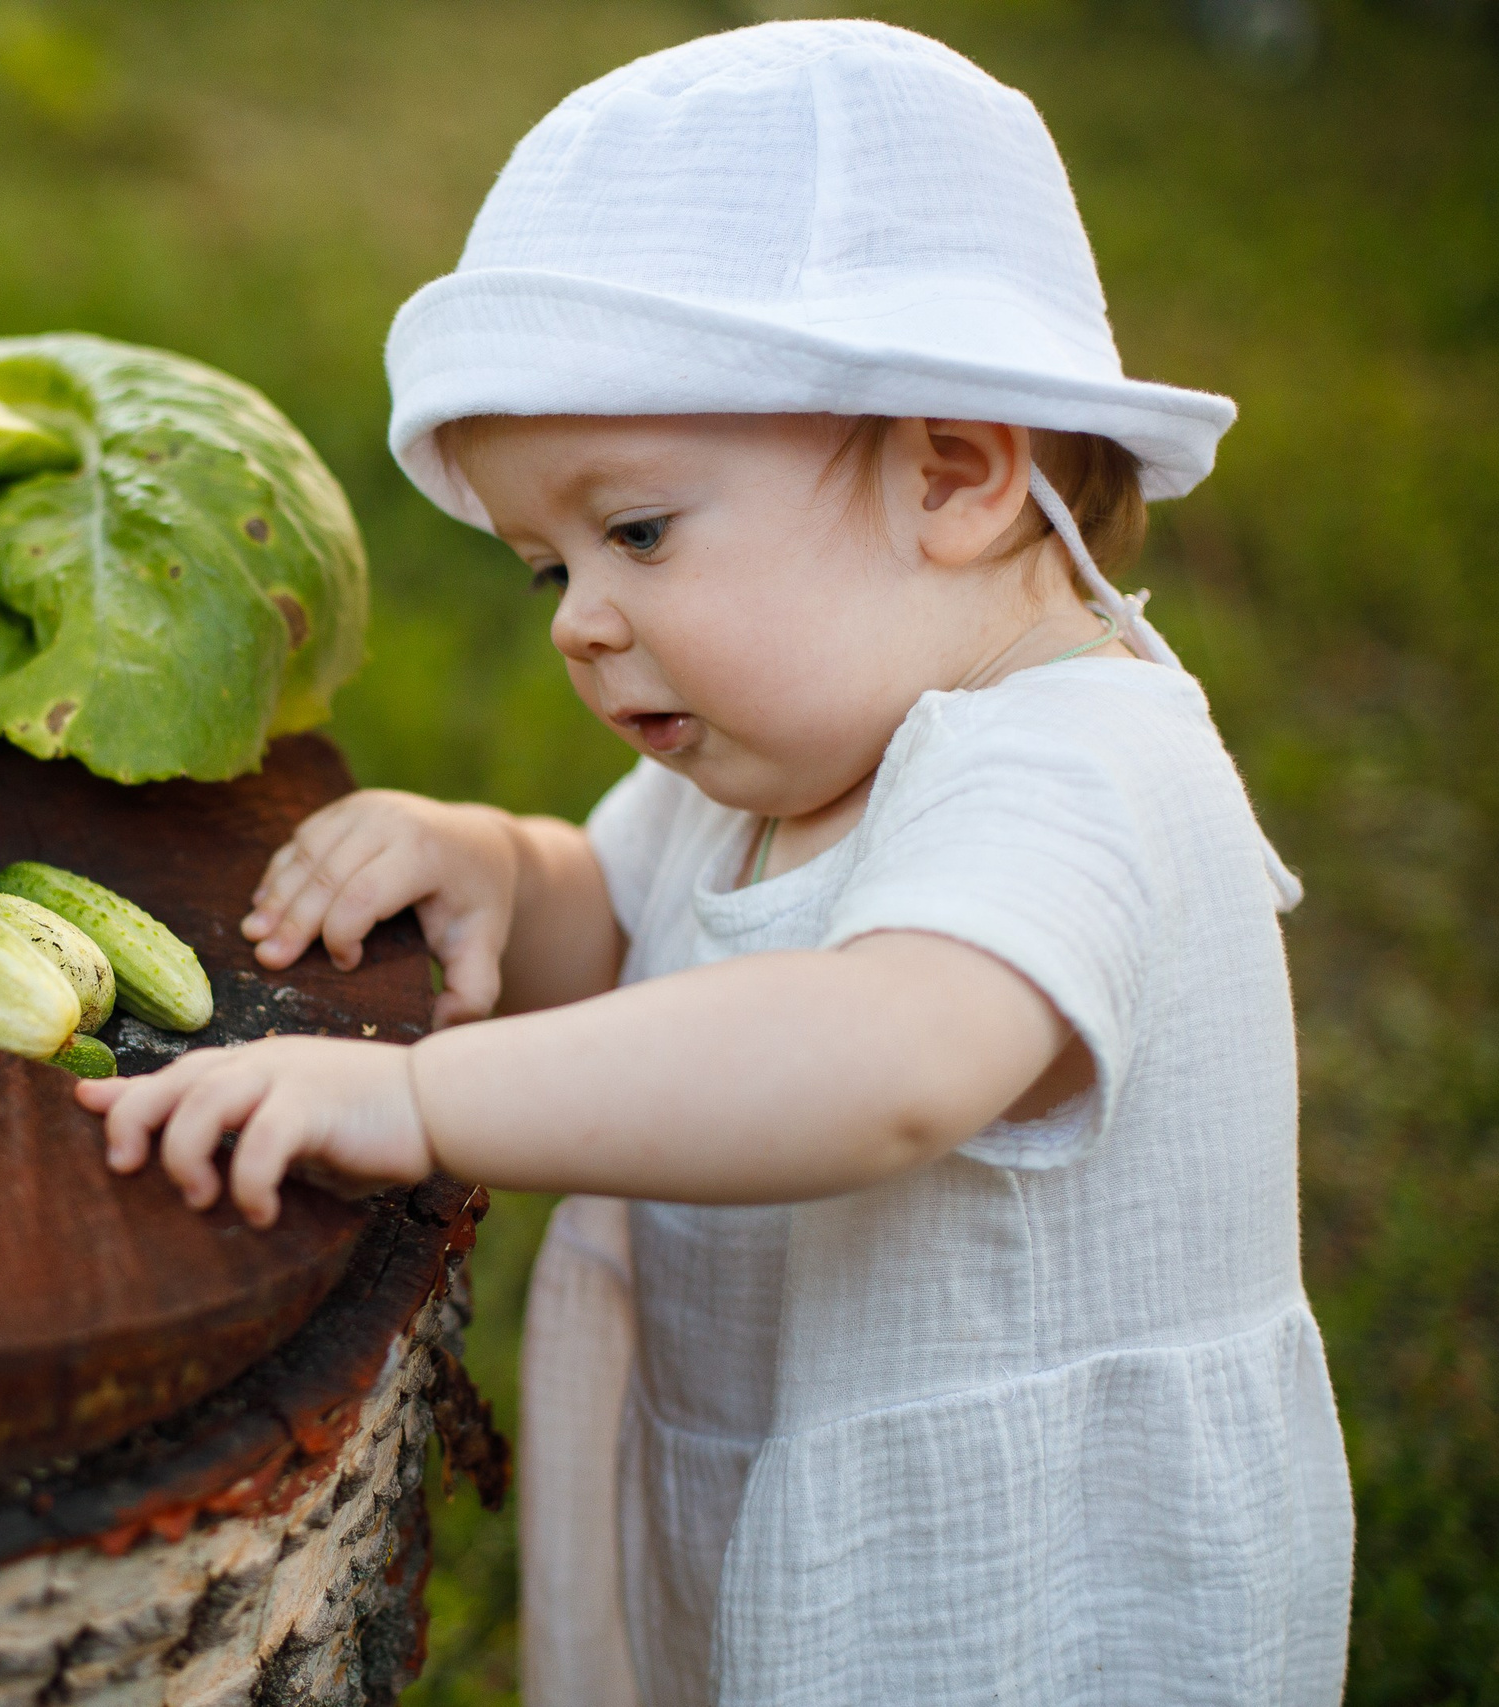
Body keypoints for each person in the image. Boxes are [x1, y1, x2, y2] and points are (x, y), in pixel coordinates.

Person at [76, 19, 1353, 1705]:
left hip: (1023, 1604)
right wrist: (504, 874)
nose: (585, 623)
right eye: (548, 570)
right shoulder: (766, 755)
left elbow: (883, 1058)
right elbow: (628, 928)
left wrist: (423, 1106)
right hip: (795, 1526)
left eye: (641, 533)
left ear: (954, 474)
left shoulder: (1079, 765)